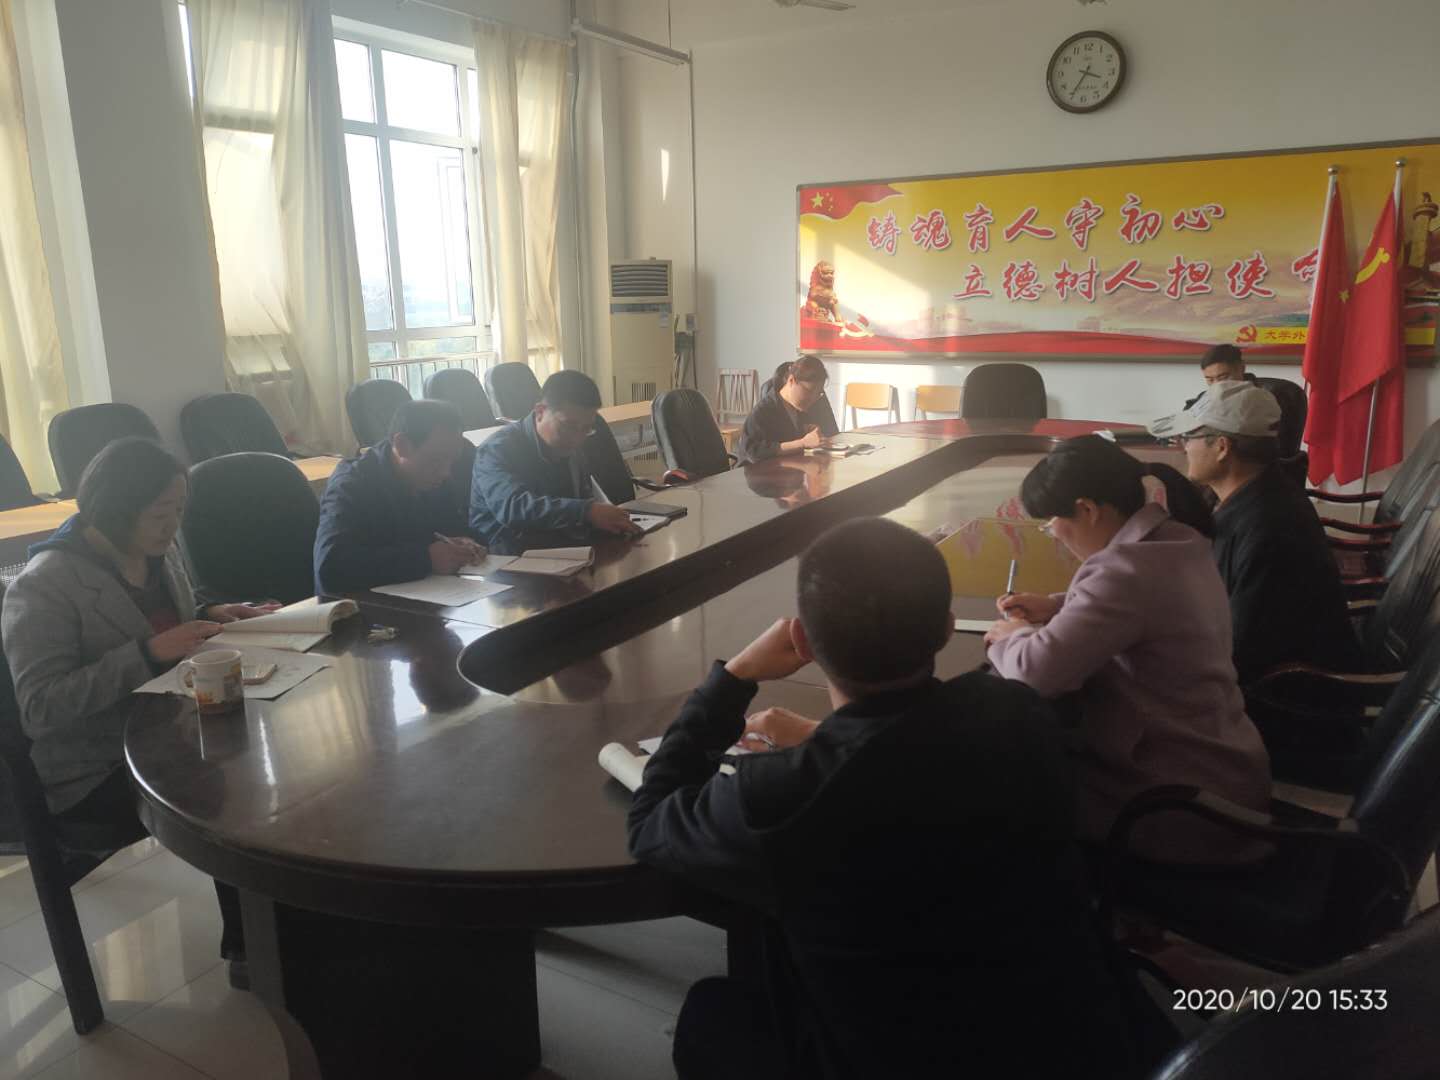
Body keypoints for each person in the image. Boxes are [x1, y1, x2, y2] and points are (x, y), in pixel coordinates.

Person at [629, 517, 1137, 1080]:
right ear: (947, 628)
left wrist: (735, 677)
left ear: (803, 643)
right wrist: (828, 739)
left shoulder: (780, 796)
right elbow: (919, 743)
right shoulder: (1020, 713)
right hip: (1076, 1041)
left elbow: (649, 822)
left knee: (709, 1012)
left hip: (901, 1059)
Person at [0, 438, 273, 980]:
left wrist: (215, 611)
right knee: (232, 785)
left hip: (167, 723)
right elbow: (40, 706)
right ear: (116, 509)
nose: (174, 525)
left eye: (179, 510)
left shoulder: (155, 551)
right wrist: (147, 654)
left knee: (266, 742)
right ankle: (251, 947)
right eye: (161, 512)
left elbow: (166, 612)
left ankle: (276, 925)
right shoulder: (45, 585)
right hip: (93, 765)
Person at [984, 435, 1271, 861]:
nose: (1054, 534)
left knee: (1004, 790)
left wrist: (1012, 635)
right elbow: (1146, 609)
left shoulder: (1123, 572)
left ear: (1087, 509)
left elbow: (1033, 672)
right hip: (1226, 771)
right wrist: (1059, 606)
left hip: (1175, 803)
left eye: (1052, 522)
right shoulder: (1176, 540)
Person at [1151, 381, 1361, 685]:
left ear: (1222, 447)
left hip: (1285, 700)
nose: (1183, 447)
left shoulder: (1269, 528)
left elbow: (1239, 653)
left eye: (1188, 437)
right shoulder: (1255, 493)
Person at [314, 399, 485, 596]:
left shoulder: (434, 477)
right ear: (402, 445)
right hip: (360, 606)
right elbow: (331, 568)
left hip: (428, 595)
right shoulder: (351, 485)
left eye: (451, 461)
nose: (445, 472)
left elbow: (448, 528)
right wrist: (426, 560)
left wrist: (466, 542)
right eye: (436, 460)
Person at [469, 370, 640, 552]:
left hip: (562, 548)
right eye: (568, 426)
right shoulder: (496, 450)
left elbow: (580, 501)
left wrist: (606, 521)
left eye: (586, 429)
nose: (577, 438)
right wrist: (587, 512)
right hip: (507, 555)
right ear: (540, 412)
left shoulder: (571, 446)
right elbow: (513, 508)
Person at [1185, 345, 1305, 458]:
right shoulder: (1204, 397)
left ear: (1241, 368)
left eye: (1223, 377)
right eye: (1210, 380)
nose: (1217, 385)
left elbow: (1274, 447)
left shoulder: (1269, 398)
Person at [736, 355, 840, 463]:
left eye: (818, 393)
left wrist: (806, 431)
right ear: (791, 380)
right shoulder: (763, 411)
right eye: (809, 391)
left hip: (787, 469)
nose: (813, 399)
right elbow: (753, 452)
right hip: (755, 471)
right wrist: (803, 443)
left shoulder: (801, 407)